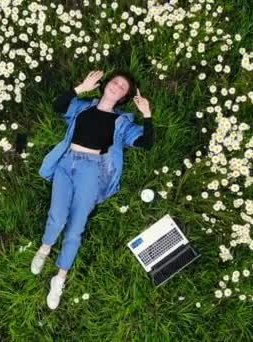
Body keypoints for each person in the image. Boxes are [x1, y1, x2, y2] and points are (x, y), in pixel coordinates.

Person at [33, 69, 154, 310]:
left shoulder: (122, 122)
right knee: (57, 217)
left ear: (123, 97)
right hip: (67, 163)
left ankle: (59, 278)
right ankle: (44, 248)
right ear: (106, 84)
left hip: (92, 171)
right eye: (115, 82)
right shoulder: (82, 107)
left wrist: (147, 114)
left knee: (76, 227)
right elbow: (58, 106)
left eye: (123, 88)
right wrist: (80, 88)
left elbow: (146, 143)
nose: (117, 86)